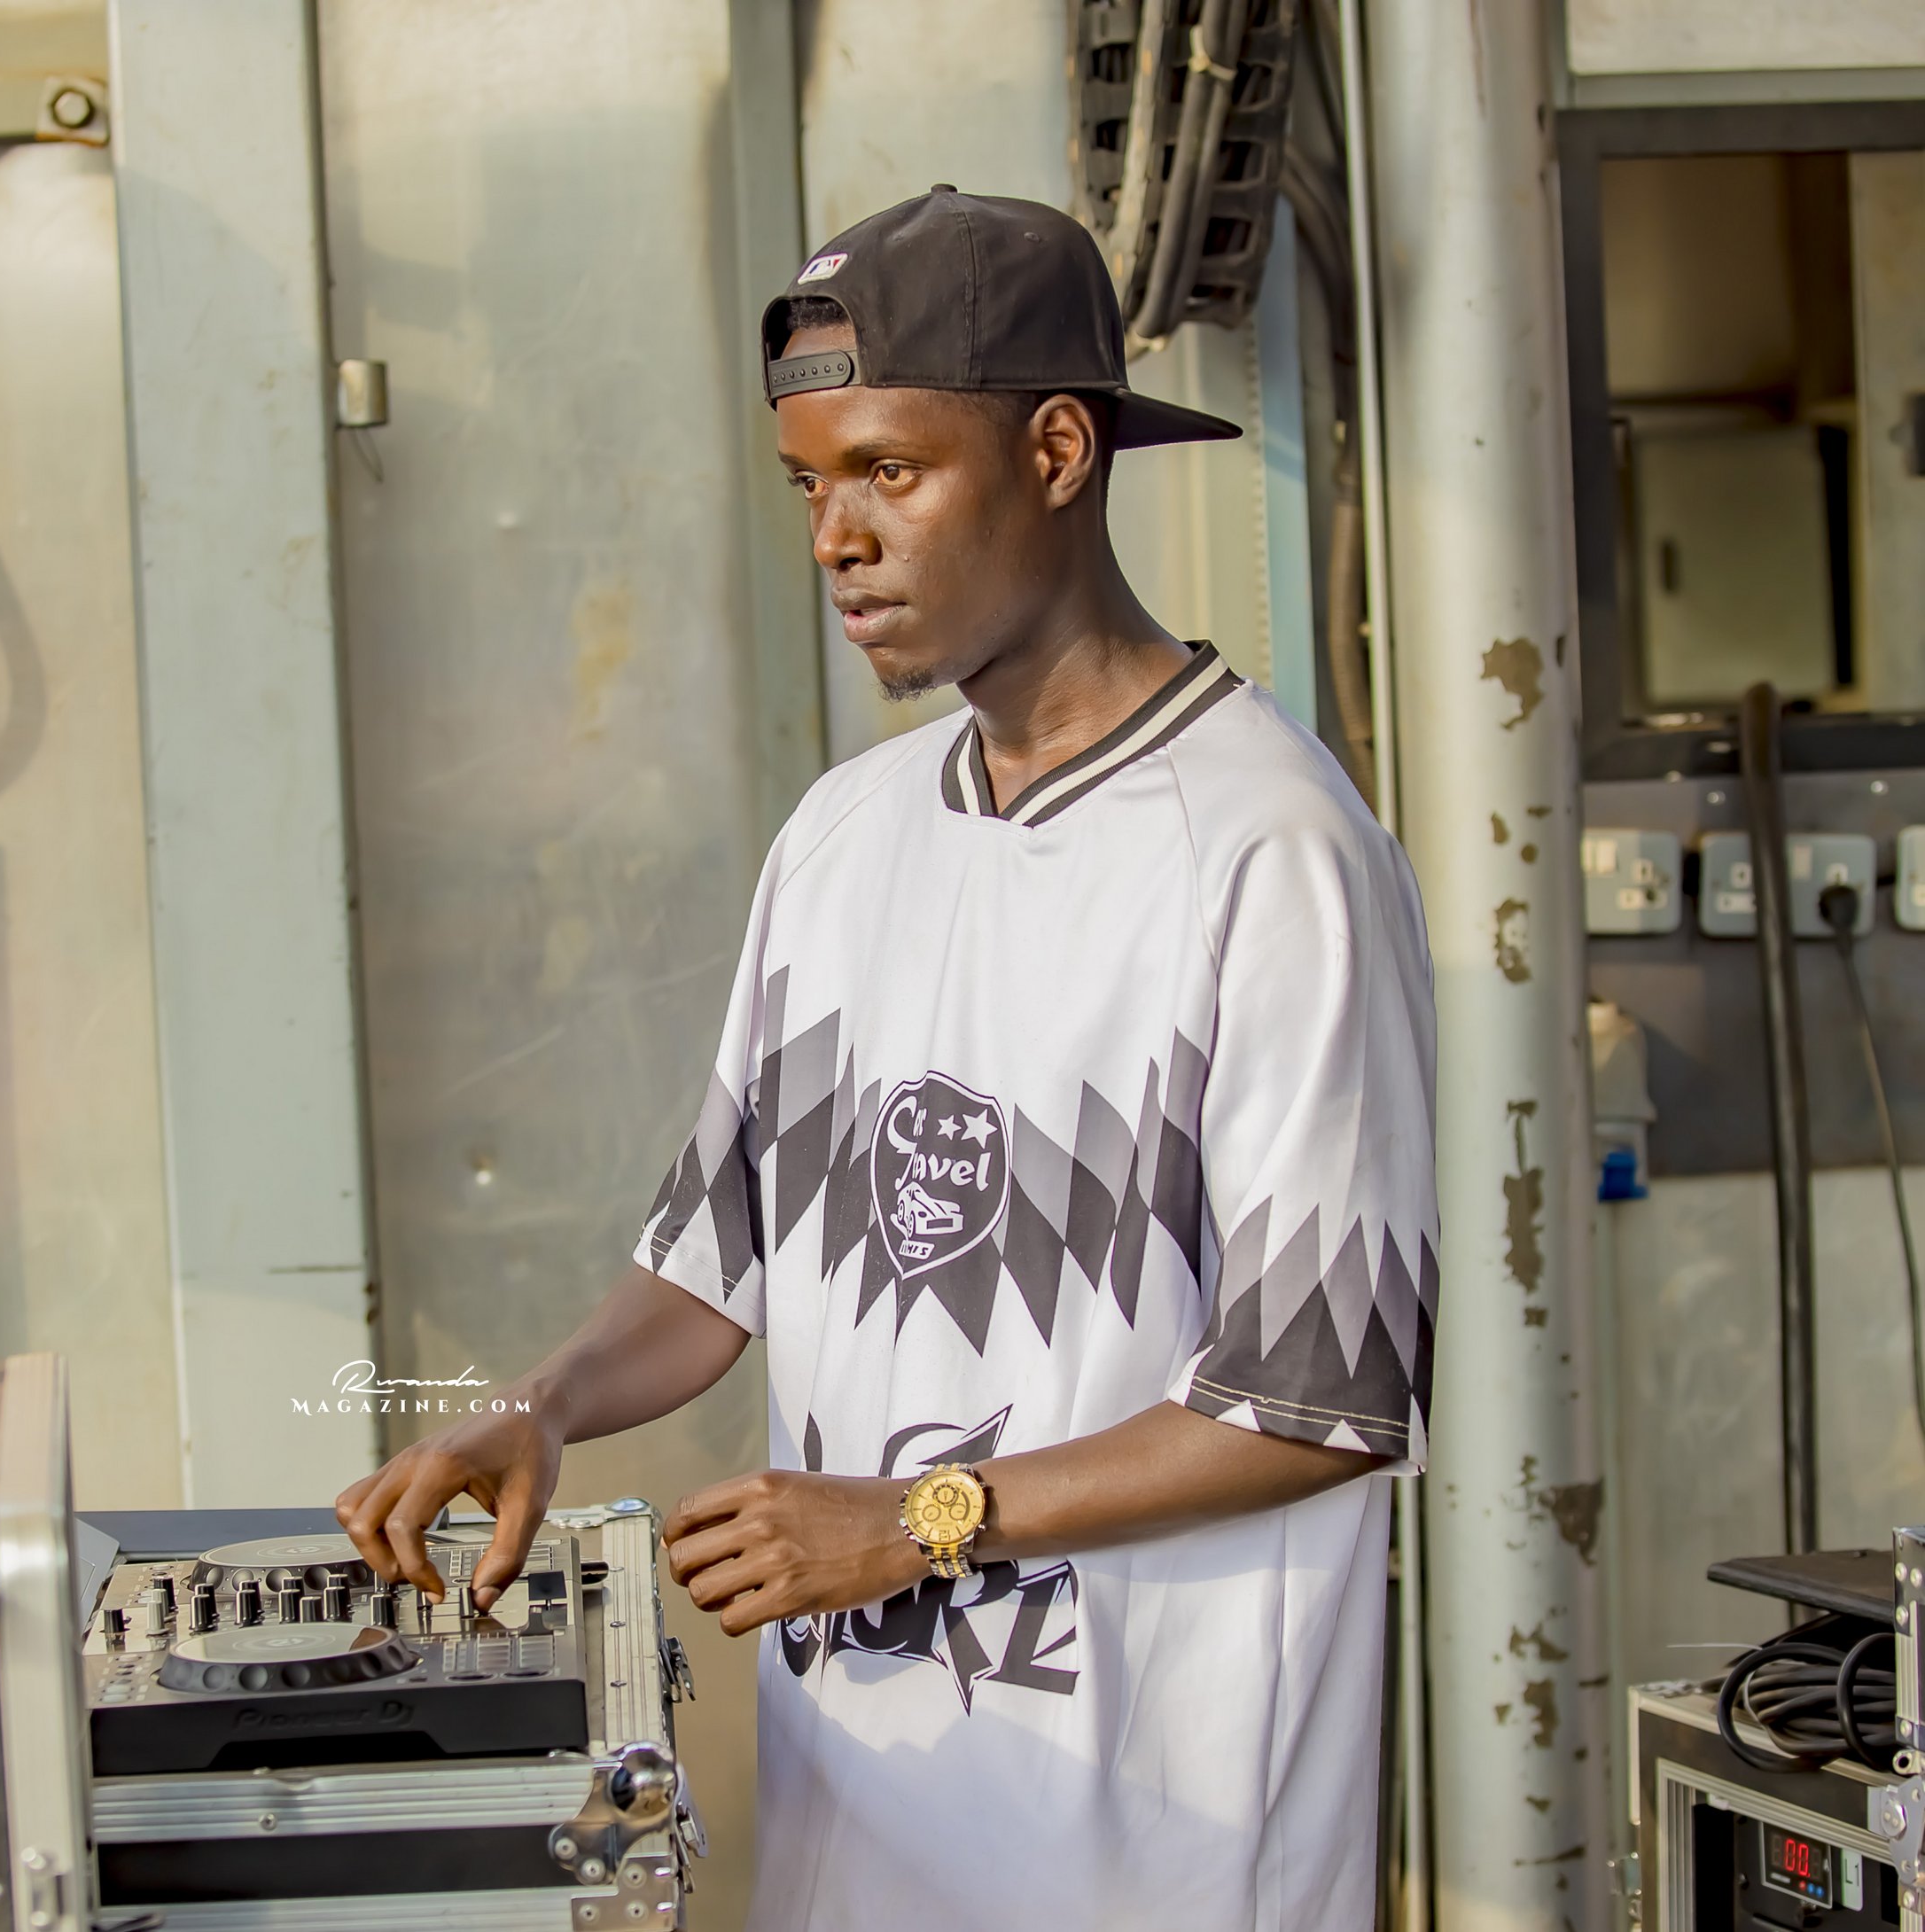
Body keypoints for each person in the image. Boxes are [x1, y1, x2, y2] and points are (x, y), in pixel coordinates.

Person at [335, 186, 1438, 1931]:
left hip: (1152, 1853)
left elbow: (1323, 1401)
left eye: (889, 471)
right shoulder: (843, 838)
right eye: (808, 486)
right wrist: (544, 1406)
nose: (837, 538)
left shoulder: (1271, 852)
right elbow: (719, 1263)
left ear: (1057, 451)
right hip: (862, 1829)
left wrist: (916, 1521)